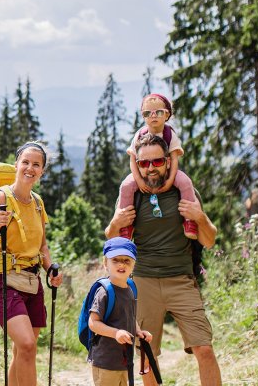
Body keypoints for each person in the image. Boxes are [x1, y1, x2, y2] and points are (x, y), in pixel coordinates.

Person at [105, 132, 222, 386]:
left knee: (204, 348)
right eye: (144, 163)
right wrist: (115, 223)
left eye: (157, 162)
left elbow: (210, 240)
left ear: (168, 161)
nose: (150, 168)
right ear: (137, 164)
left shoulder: (184, 191)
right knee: (147, 353)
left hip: (181, 280)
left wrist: (200, 218)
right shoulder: (132, 194)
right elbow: (111, 241)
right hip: (144, 282)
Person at [0, 141, 64, 385]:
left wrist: (51, 270)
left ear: (42, 171)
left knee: (23, 350)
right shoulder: (1, 198)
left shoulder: (37, 202)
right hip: (3, 280)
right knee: (26, 345)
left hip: (32, 282)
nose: (30, 168)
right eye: (25, 162)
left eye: (36, 164)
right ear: (16, 164)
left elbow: (42, 246)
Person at [118, 93, 201, 240]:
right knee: (126, 186)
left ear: (167, 115)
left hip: (168, 171)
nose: (153, 116)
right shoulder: (140, 135)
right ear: (143, 117)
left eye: (159, 112)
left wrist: (170, 180)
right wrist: (138, 180)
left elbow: (174, 159)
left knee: (185, 182)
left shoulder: (170, 135)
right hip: (142, 171)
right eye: (147, 113)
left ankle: (190, 220)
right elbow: (133, 159)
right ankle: (125, 224)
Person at [87, 237, 153, 386]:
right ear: (105, 263)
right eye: (115, 260)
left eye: (127, 260)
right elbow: (93, 322)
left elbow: (130, 316)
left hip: (124, 361)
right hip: (106, 361)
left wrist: (138, 332)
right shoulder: (104, 292)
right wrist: (116, 333)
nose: (121, 264)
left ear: (133, 265)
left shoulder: (131, 289)